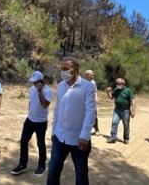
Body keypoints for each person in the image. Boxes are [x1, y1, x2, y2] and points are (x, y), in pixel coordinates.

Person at [48, 56, 95, 185]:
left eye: (65, 69)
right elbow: (57, 109)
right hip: (60, 136)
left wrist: (85, 136)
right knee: (53, 172)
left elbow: (90, 113)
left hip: (78, 139)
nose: (63, 71)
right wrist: (53, 131)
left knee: (81, 176)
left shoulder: (87, 87)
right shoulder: (61, 86)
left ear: (75, 70)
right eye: (61, 69)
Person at [12, 71, 52, 177]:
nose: (34, 84)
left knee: (40, 144)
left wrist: (40, 92)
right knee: (24, 141)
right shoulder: (32, 89)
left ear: (41, 80)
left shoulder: (48, 90)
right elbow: (31, 102)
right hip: (30, 120)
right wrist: (29, 112)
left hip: (41, 122)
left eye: (36, 82)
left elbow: (45, 105)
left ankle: (42, 166)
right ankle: (22, 164)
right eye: (33, 82)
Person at [105, 78, 135, 144]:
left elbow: (132, 101)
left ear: (123, 84)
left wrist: (133, 111)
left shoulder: (128, 91)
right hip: (117, 110)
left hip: (126, 110)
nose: (118, 85)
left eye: (119, 84)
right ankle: (113, 137)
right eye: (117, 84)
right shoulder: (116, 90)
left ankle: (126, 138)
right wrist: (108, 92)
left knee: (126, 125)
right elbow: (111, 98)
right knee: (114, 122)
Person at [84, 70, 100, 136]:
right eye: (91, 75)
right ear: (86, 75)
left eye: (93, 75)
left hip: (92, 102)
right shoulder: (82, 82)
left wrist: (96, 97)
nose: (92, 76)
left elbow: (95, 91)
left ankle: (97, 129)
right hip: (84, 102)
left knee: (94, 116)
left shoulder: (93, 82)